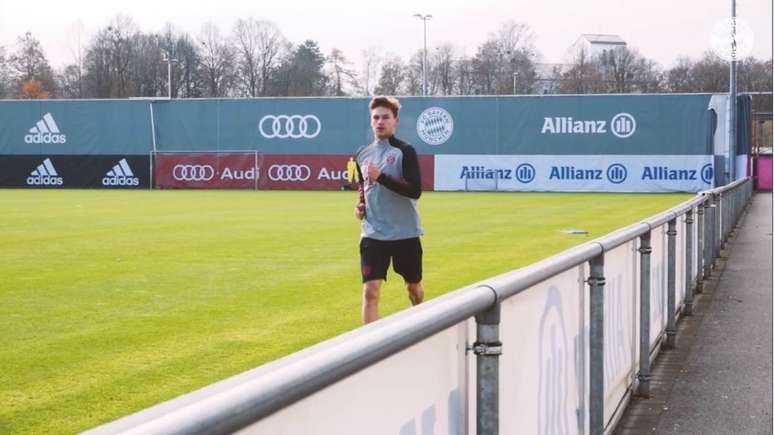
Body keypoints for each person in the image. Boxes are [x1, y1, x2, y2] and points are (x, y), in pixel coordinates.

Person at [354, 96, 424, 324]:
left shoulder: (406, 151)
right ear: (370, 121)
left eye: (385, 117)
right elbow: (363, 187)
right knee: (370, 292)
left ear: (396, 121)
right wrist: (361, 204)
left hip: (405, 233)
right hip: (373, 233)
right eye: (376, 117)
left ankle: (419, 318)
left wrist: (382, 177)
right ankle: (370, 348)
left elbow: (415, 191)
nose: (380, 121)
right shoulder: (362, 154)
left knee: (413, 288)